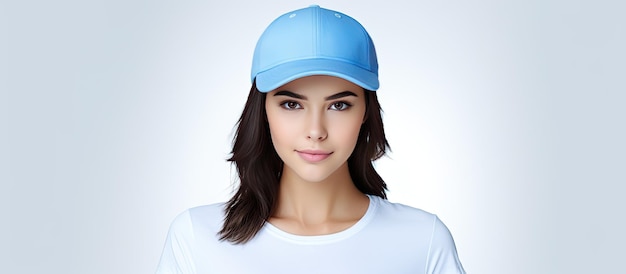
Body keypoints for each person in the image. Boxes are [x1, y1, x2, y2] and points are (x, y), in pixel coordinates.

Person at [156, 5, 465, 274]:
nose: (315, 130)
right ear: (262, 111)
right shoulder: (198, 238)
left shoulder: (422, 241)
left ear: (366, 114)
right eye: (292, 104)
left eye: (339, 105)